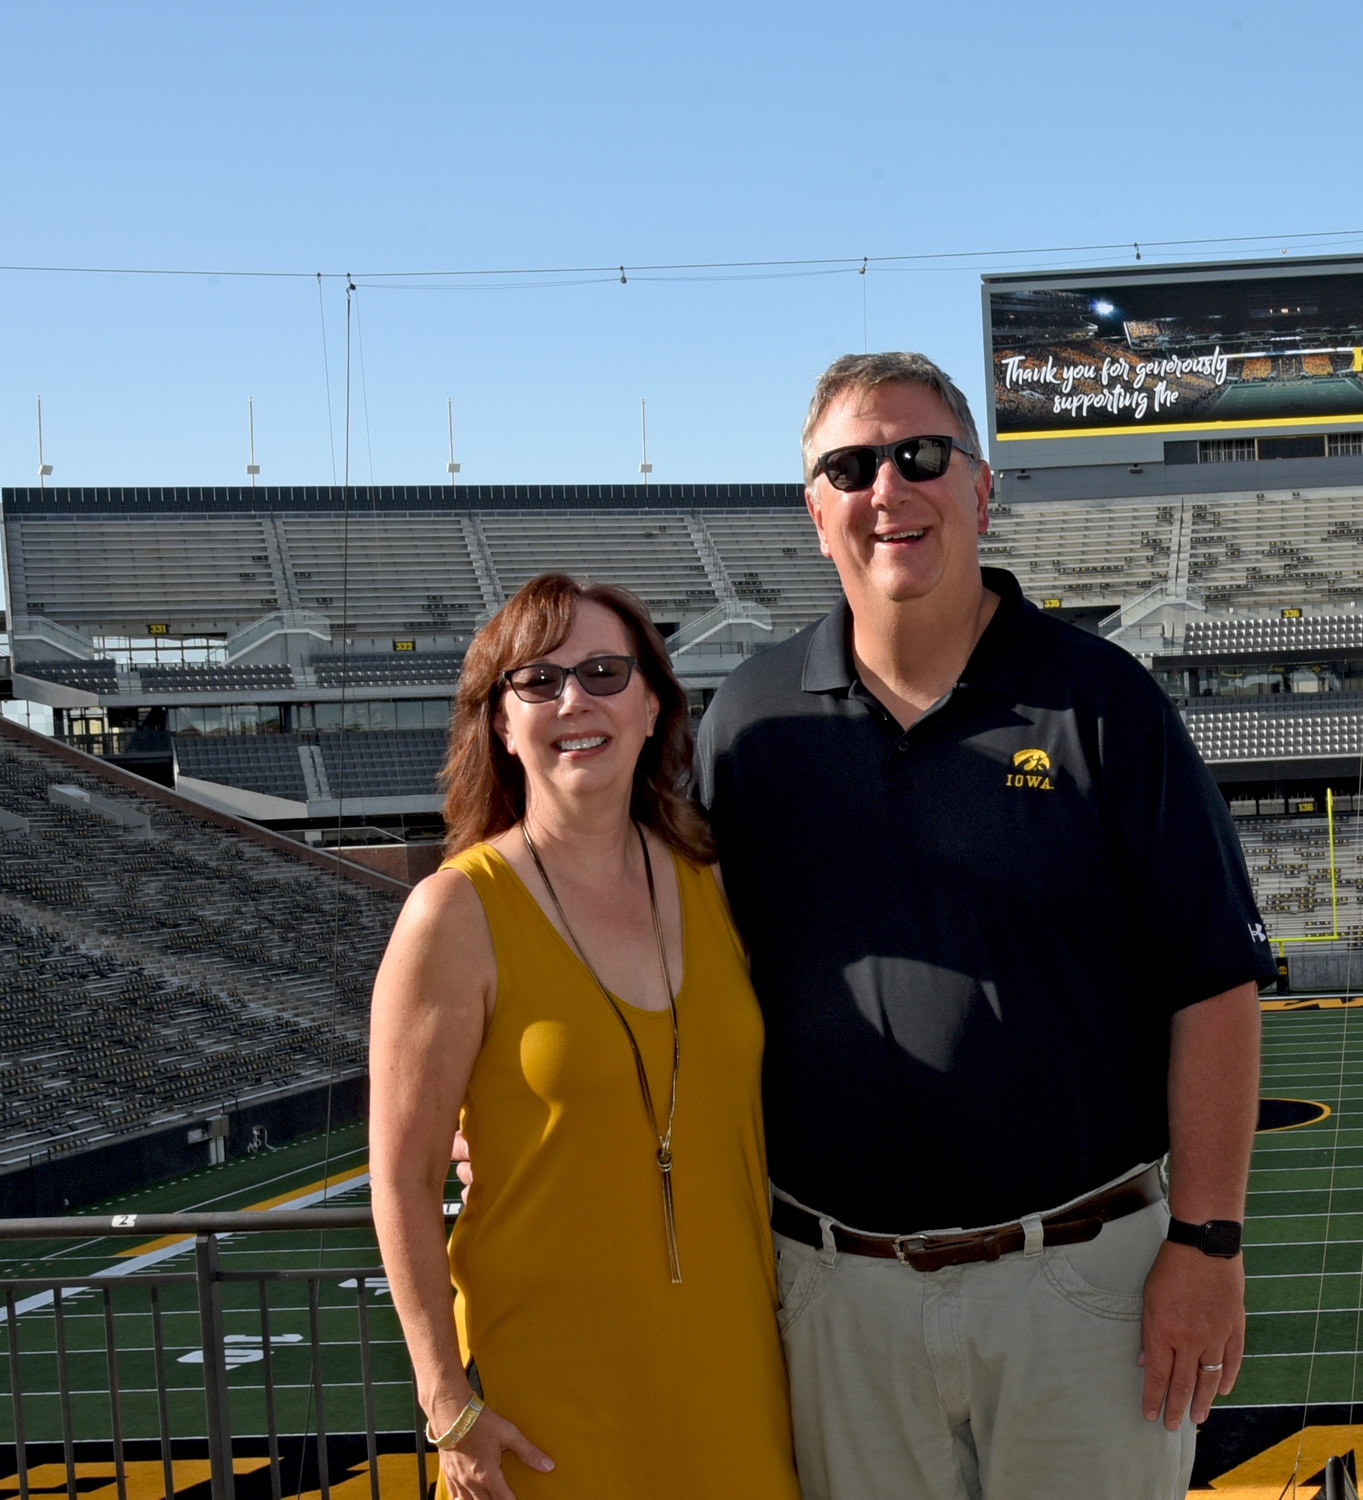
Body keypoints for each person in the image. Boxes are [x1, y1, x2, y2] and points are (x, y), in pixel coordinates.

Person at [696, 352, 1274, 1499]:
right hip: (836, 1289)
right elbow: (674, 975)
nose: (887, 490)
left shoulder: (1101, 701)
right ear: (816, 512)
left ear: (980, 490)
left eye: (920, 456)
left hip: (1077, 1281)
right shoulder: (747, 725)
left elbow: (1213, 982)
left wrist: (1208, 1243)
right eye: (849, 467)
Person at [370, 574, 798, 1500]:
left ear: (652, 705)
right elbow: (402, 1178)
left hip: (737, 1377)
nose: (575, 701)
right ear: (499, 721)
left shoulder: (717, 881)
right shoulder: (455, 912)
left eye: (606, 672)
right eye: (538, 681)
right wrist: (446, 1401)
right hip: (547, 1409)